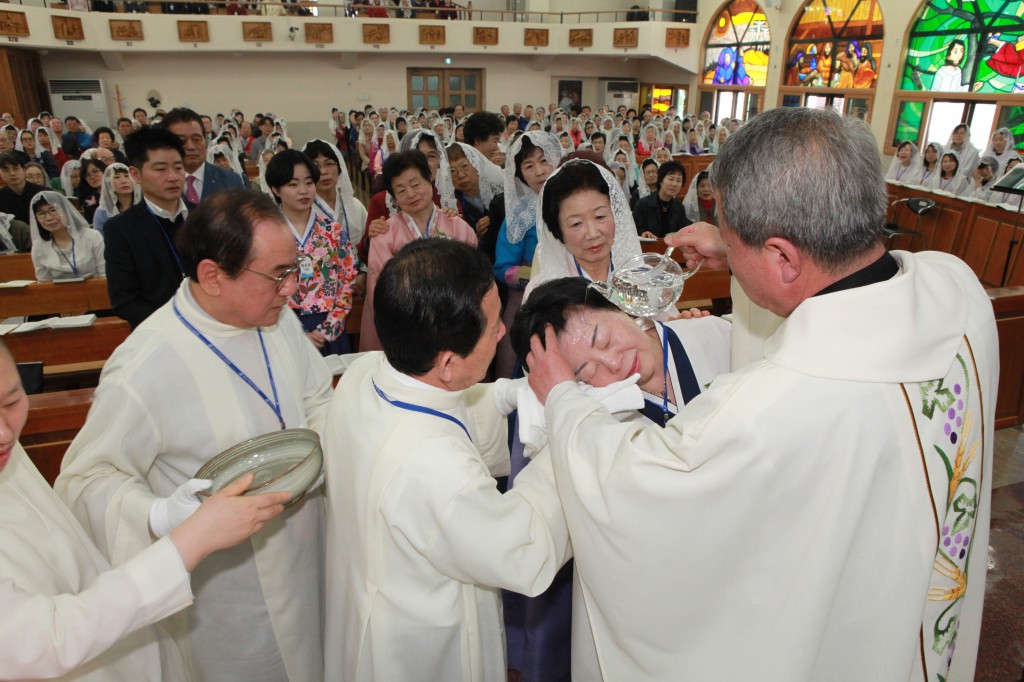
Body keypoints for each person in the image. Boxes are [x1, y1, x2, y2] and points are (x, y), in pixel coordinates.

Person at [522, 106, 996, 681]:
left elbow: (636, 484)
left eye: (730, 236)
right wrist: (739, 254)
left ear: (783, 257)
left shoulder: (767, 411)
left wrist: (564, 398)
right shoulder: (958, 290)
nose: (724, 247)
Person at [55, 189, 332, 682]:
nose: (292, 289)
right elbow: (84, 481)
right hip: (228, 589)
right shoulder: (146, 364)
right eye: (278, 275)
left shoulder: (274, 316)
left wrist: (321, 453)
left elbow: (315, 396)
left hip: (307, 551)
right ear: (213, 276)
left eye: (295, 269)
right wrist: (160, 514)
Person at [323, 238, 570, 681]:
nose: (502, 332)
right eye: (493, 326)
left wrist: (512, 393)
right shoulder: (434, 466)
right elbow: (522, 550)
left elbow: (445, 409)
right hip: (417, 643)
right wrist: (565, 430)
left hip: (370, 593)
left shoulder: (367, 371)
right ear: (449, 363)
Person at [0, 341, 291, 681]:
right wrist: (188, 543)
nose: (5, 433)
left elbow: (61, 544)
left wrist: (160, 517)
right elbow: (38, 642)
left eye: (12, 402)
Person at [359, 150, 478, 352]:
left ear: (429, 179)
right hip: (407, 326)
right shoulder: (384, 234)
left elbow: (473, 278)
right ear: (393, 196)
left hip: (453, 321)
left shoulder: (458, 227)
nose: (411, 194)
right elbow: (380, 289)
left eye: (415, 185)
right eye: (401, 190)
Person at [265, 149, 360, 356]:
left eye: (308, 183)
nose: (303, 190)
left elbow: (347, 280)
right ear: (275, 189)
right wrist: (297, 333)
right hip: (284, 325)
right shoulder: (266, 234)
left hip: (329, 327)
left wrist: (328, 329)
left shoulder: (332, 231)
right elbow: (262, 285)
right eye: (293, 185)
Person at [104, 126, 192, 329]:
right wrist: (177, 326)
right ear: (136, 174)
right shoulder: (121, 229)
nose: (173, 177)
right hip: (157, 333)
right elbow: (124, 301)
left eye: (178, 168)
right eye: (161, 169)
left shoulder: (205, 216)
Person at [492, 131, 559, 378]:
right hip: (528, 299)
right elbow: (503, 268)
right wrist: (538, 276)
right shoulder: (519, 215)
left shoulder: (573, 204)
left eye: (544, 161)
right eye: (529, 166)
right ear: (520, 173)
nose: (539, 171)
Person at [528, 158, 642, 295]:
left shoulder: (643, 279)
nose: (593, 234)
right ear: (558, 231)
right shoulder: (542, 292)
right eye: (576, 223)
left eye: (600, 216)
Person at [160, 108, 244, 204]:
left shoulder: (229, 181)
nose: (191, 147)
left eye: (196, 139)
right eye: (181, 141)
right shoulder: (158, 183)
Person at [303, 138, 369, 247]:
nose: (323, 171)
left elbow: (369, 241)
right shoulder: (304, 211)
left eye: (329, 164)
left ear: (339, 167)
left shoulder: (355, 206)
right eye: (315, 166)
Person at [29, 191, 106, 281]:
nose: (49, 218)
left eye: (53, 210)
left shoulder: (93, 237)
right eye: (41, 213)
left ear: (66, 211)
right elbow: (43, 282)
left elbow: (104, 274)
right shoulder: (39, 246)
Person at [631, 160, 690, 239]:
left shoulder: (679, 208)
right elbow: (633, 229)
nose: (674, 184)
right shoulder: (643, 204)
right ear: (660, 181)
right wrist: (643, 232)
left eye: (679, 181)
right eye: (671, 179)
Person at [92, 161, 141, 234]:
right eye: (117, 177)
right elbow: (100, 237)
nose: (123, 181)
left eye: (127, 176)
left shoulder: (145, 205)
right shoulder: (103, 212)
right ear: (109, 184)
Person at [0, 150, 47, 225]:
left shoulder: (43, 193)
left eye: (15, 168)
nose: (12, 173)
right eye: (6, 170)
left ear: (24, 170)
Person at [76, 157, 106, 224]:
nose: (92, 177)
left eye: (95, 171)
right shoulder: (88, 202)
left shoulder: (118, 192)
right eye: (87, 175)